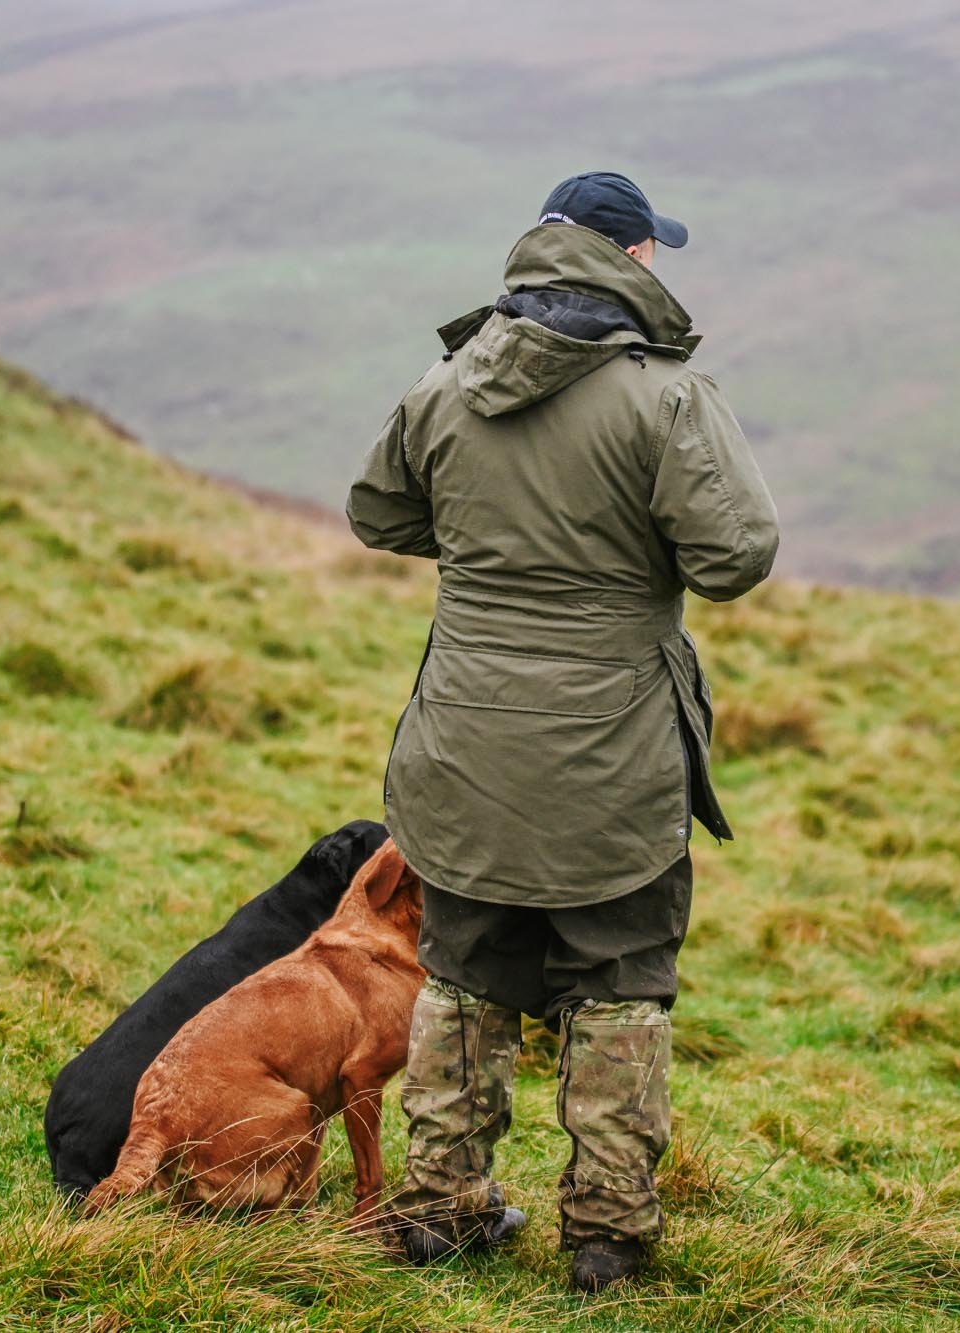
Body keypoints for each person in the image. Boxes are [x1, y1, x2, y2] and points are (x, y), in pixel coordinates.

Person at [346, 170, 778, 1293]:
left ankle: (437, 1207)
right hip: (611, 752)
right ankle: (606, 1238)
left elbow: (379, 511)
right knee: (621, 983)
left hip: (466, 745)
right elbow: (735, 556)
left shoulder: (448, 380)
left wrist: (500, 558)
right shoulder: (665, 399)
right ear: (631, 258)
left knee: (461, 972)